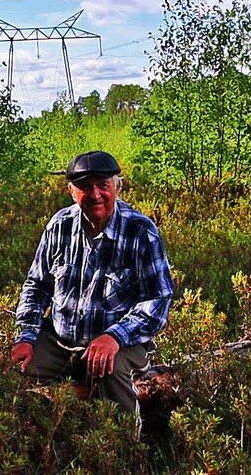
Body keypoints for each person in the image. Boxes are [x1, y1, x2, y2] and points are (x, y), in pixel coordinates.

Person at [10, 150, 174, 418]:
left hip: (122, 343)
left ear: (117, 187)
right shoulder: (59, 226)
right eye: (85, 187)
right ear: (72, 192)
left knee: (110, 371)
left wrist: (114, 336)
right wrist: (26, 337)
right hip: (60, 340)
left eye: (102, 185)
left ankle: (122, 450)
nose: (95, 194)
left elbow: (158, 299)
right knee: (12, 373)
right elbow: (37, 285)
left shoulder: (141, 232)